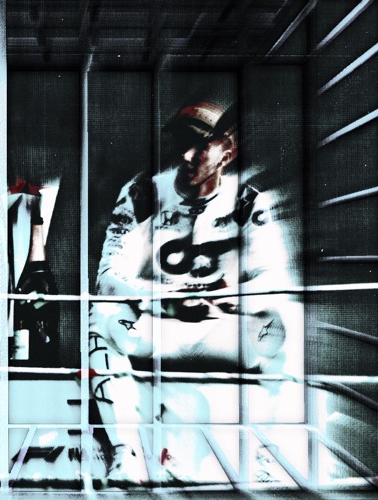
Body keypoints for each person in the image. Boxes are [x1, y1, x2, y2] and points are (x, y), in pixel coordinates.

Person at [89, 101, 303, 484]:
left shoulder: (248, 200)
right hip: (162, 325)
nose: (187, 155)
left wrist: (229, 297)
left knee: (287, 318)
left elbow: (275, 279)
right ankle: (126, 451)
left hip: (220, 328)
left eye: (201, 146)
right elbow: (108, 276)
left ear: (227, 152)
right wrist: (165, 301)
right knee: (102, 315)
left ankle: (264, 456)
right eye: (181, 142)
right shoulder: (142, 193)